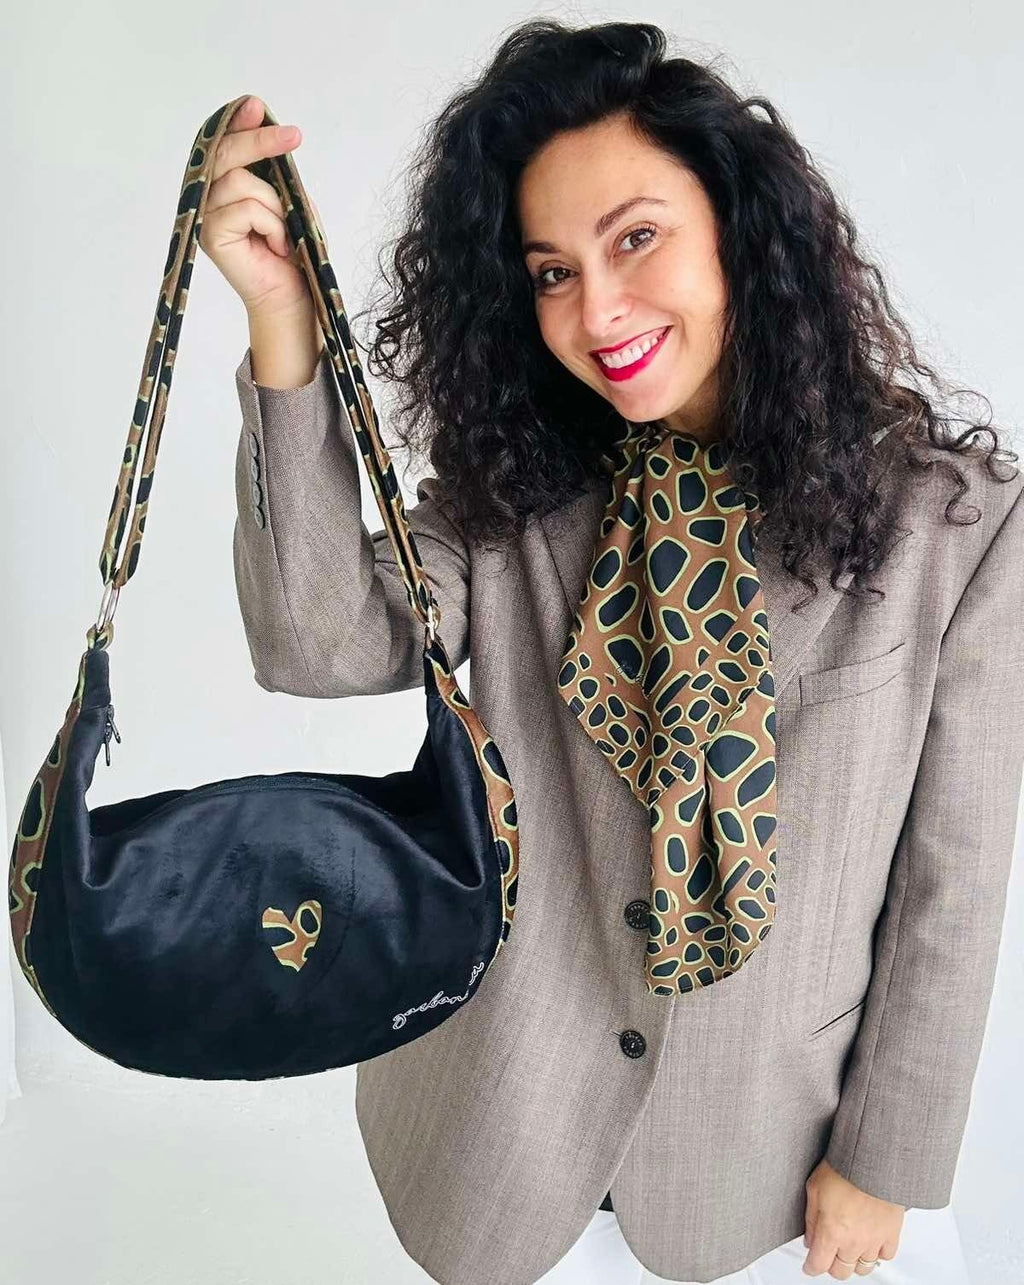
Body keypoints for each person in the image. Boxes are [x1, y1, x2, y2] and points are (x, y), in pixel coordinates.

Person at [199, 20, 1023, 1285]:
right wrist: (282, 328)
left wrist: (886, 1158)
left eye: (635, 237)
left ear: (739, 230)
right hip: (505, 1142)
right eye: (548, 271)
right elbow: (320, 642)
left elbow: (951, 882)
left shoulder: (954, 521)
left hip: (774, 1175)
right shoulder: (517, 497)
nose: (598, 309)